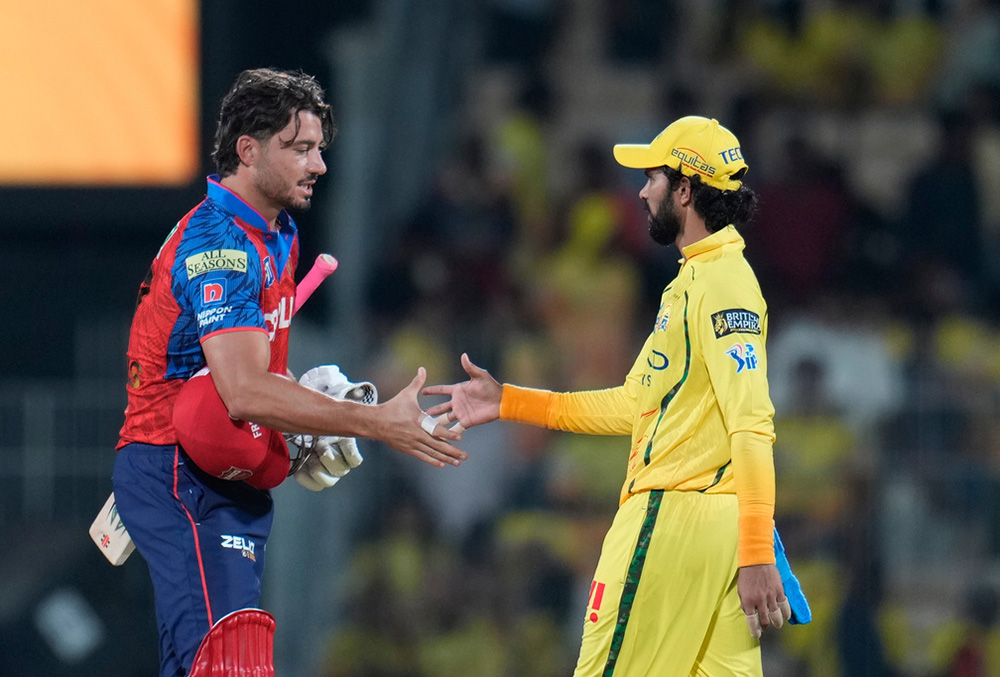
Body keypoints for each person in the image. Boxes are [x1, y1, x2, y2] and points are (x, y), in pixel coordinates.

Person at [111, 68, 465, 677]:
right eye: (300, 148)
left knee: (222, 662)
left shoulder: (279, 234)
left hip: (229, 467)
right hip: (177, 471)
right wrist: (375, 422)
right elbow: (245, 391)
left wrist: (300, 403)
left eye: (319, 148)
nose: (319, 165)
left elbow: (257, 371)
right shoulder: (217, 244)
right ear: (247, 151)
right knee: (223, 663)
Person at [425, 116, 793, 675]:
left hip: (670, 524)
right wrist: (510, 402)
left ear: (686, 190)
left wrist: (758, 553)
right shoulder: (700, 280)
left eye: (652, 179)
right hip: (715, 533)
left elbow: (752, 423)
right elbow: (631, 405)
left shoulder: (720, 286)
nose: (642, 191)